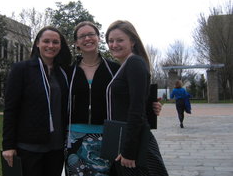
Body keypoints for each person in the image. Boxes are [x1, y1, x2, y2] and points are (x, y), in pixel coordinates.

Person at [65, 21, 163, 176]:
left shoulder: (116, 68)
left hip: (109, 136)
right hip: (75, 136)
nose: (87, 38)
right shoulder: (68, 72)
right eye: (82, 36)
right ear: (76, 42)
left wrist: (151, 107)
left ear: (98, 38)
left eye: (91, 34)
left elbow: (135, 100)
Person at [2, 26, 71, 176]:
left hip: (56, 147)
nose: (51, 46)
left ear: (60, 45)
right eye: (46, 41)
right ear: (37, 43)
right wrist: (8, 145)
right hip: (29, 146)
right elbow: (10, 109)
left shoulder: (63, 73)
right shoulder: (22, 69)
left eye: (55, 42)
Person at [105, 20, 168, 175]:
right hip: (124, 139)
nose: (114, 44)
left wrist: (129, 151)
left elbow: (136, 109)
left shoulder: (134, 63)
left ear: (132, 41)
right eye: (110, 41)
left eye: (120, 40)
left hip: (135, 144)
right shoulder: (126, 65)